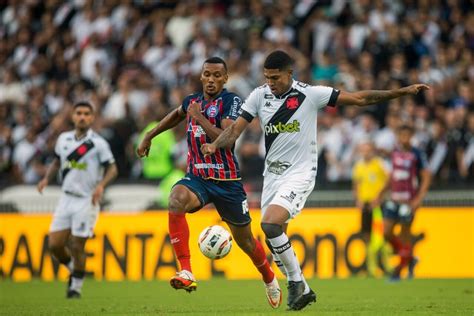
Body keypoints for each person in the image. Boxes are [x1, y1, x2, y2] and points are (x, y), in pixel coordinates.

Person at [201, 50, 430, 310]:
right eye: (267, 77)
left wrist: (401, 92)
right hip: (272, 176)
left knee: (270, 224)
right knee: (272, 240)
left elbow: (359, 98)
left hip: (299, 173)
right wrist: (214, 146)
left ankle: (296, 283)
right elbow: (233, 130)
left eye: (275, 77)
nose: (270, 83)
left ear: (290, 74)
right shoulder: (258, 95)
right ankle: (304, 289)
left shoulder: (310, 94)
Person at [136, 57, 282, 309]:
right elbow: (176, 115)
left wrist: (200, 119)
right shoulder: (192, 101)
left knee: (245, 241)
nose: (211, 79)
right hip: (198, 178)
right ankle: (186, 271)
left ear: (225, 79)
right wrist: (150, 135)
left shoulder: (231, 101)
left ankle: (269, 277)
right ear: (201, 76)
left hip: (227, 182)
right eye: (207, 75)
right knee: (176, 199)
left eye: (217, 75)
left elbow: (228, 137)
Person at [37, 101, 118, 298]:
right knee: (55, 245)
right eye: (79, 113)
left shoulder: (98, 144)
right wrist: (47, 178)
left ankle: (76, 287)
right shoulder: (63, 139)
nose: (82, 117)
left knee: (76, 245)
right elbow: (57, 161)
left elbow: (113, 169)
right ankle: (75, 269)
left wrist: (101, 186)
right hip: (66, 198)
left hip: (86, 200)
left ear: (91, 118)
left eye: (86, 114)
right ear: (73, 116)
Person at [380, 125, 432, 280]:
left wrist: (418, 199)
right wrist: (380, 194)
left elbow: (426, 176)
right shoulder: (394, 152)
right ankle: (408, 257)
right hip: (393, 198)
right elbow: (392, 176)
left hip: (408, 201)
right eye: (401, 135)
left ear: (412, 136)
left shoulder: (417, 154)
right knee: (386, 233)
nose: (404, 138)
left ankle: (398, 271)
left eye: (407, 135)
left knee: (404, 235)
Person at [352, 140, 389, 277]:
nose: (365, 152)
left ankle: (386, 265)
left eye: (368, 149)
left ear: (372, 150)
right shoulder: (359, 166)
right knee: (366, 236)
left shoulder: (379, 164)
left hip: (378, 205)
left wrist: (380, 196)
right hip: (366, 205)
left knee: (381, 235)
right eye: (363, 149)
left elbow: (388, 180)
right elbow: (356, 184)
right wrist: (358, 199)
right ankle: (371, 267)